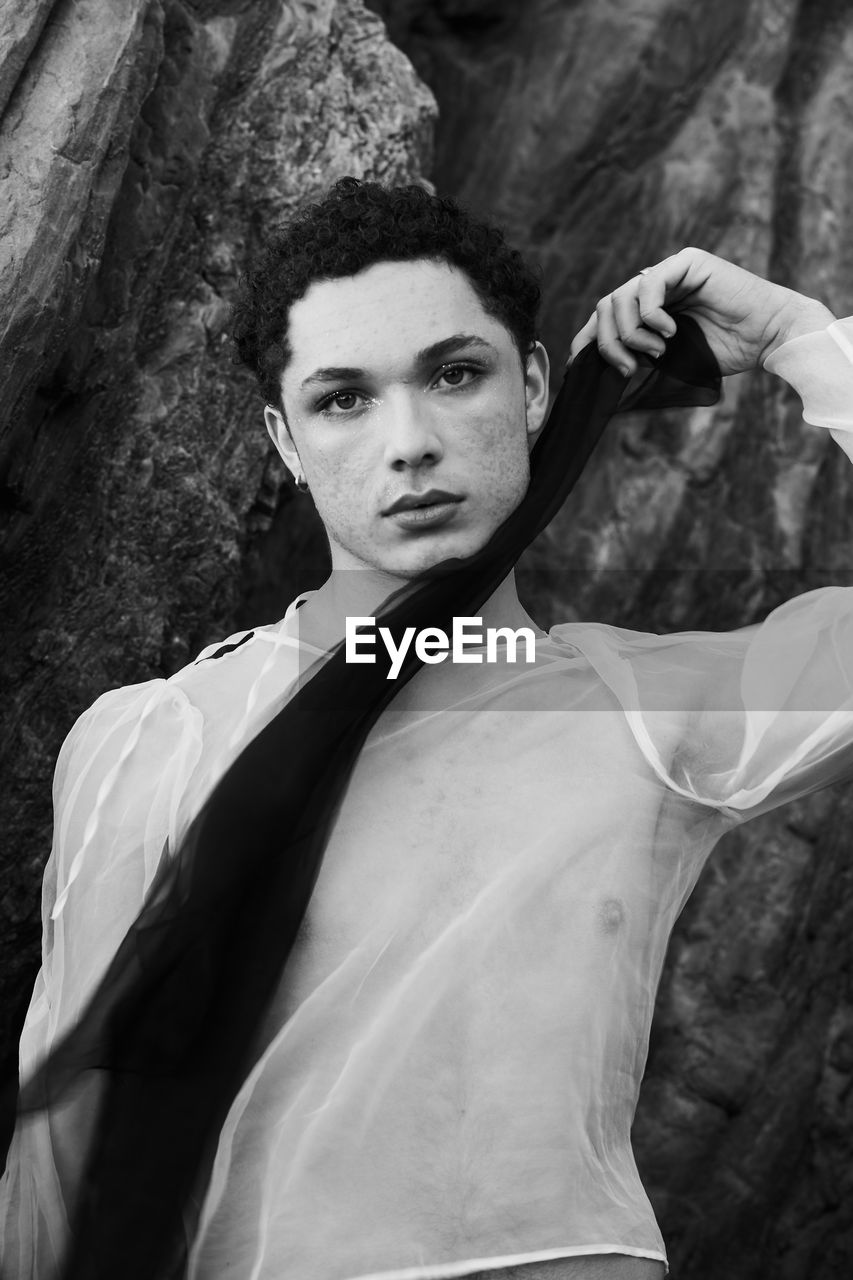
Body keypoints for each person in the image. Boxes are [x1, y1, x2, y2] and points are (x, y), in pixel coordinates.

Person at [2, 177, 853, 1280]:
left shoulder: (642, 710)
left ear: (535, 386)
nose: (409, 442)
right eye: (343, 399)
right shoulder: (155, 738)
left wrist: (800, 336)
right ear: (286, 441)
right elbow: (57, 1166)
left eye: (455, 375)